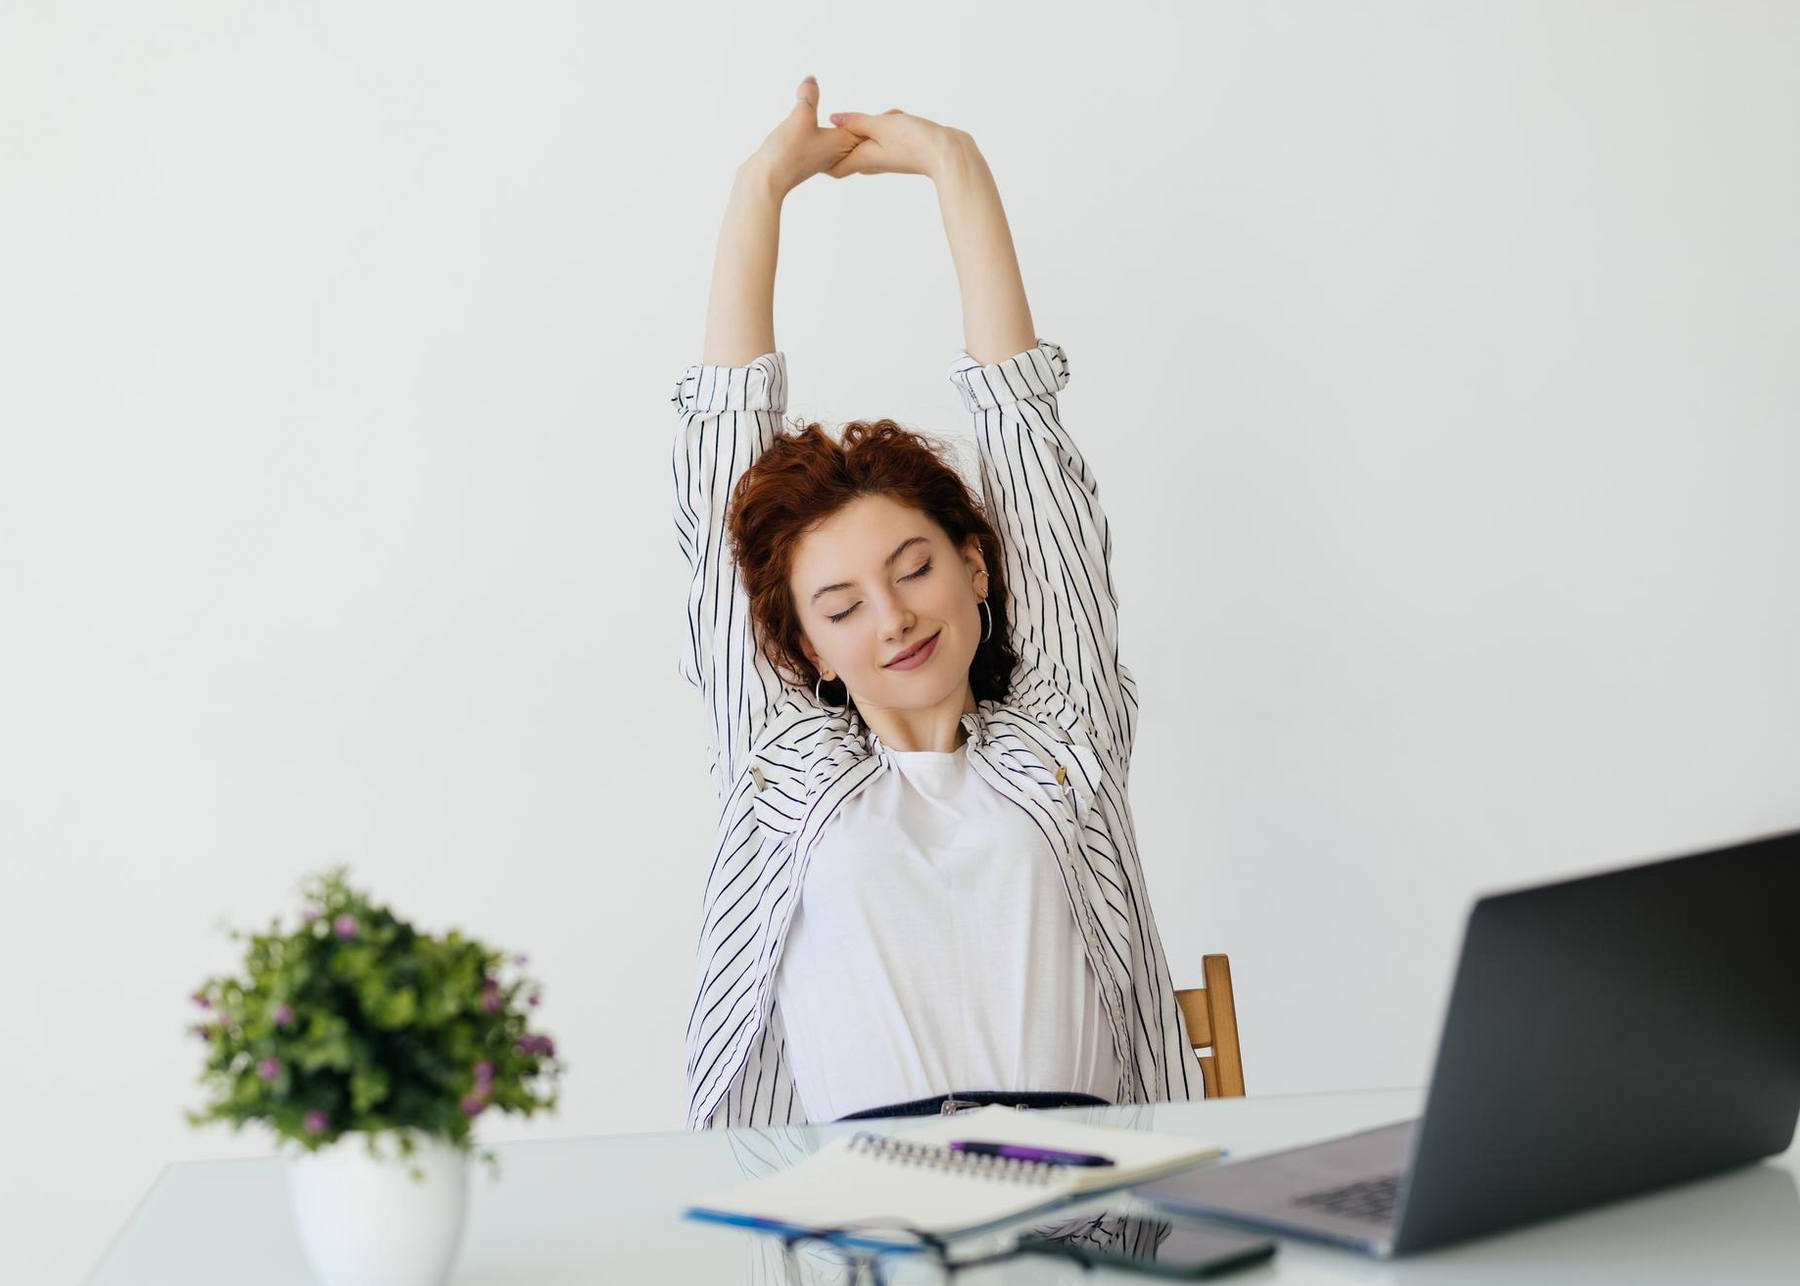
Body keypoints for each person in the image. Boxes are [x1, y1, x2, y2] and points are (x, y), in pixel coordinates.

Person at [671, 76, 1200, 1129]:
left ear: (977, 568)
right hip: (862, 1227)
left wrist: (956, 169)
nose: (894, 617)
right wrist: (758, 190)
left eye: (914, 569)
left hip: (1083, 1219)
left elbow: (1033, 456)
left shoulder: (1062, 735)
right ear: (807, 648)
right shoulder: (781, 761)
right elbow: (719, 471)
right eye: (843, 604)